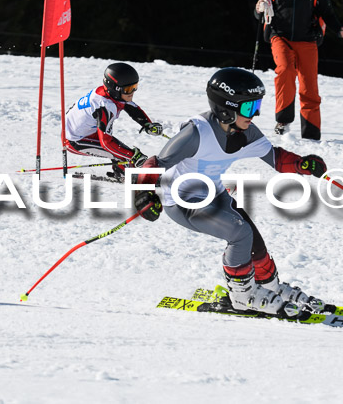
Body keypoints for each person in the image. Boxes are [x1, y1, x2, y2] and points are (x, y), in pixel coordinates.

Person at [133, 67, 328, 317]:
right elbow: (155, 164)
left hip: (214, 196)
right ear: (226, 108)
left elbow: (275, 158)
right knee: (239, 233)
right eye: (248, 108)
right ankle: (242, 297)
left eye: (257, 106)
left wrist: (303, 164)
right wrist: (143, 196)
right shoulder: (196, 133)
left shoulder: (245, 132)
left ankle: (271, 287)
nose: (255, 114)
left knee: (255, 243)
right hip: (182, 203)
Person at [255, 0, 343, 140]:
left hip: (308, 40)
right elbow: (260, 11)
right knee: (285, 70)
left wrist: (340, 31)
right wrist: (259, 9)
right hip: (280, 36)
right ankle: (283, 121)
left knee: (309, 86)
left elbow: (326, 12)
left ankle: (310, 134)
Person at [63, 62, 164, 181]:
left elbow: (132, 108)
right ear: (115, 88)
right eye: (128, 89)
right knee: (120, 151)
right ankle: (130, 176)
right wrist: (132, 156)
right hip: (75, 141)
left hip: (85, 132)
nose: (132, 92)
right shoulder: (105, 106)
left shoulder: (109, 93)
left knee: (122, 150)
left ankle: (124, 172)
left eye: (134, 87)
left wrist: (147, 124)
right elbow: (106, 143)